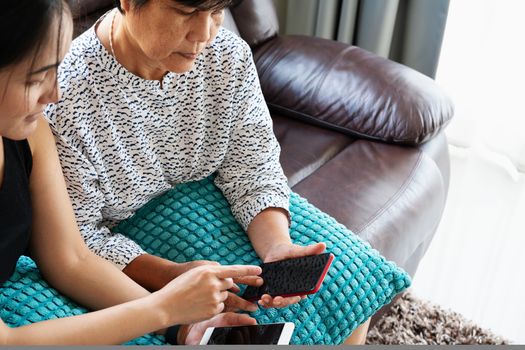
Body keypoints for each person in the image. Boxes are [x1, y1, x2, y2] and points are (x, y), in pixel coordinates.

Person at [45, 0, 370, 344]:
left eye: (216, 12)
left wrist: (276, 246)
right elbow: (79, 240)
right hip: (124, 248)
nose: (204, 34)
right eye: (186, 12)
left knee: (354, 288)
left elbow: (253, 164)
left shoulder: (228, 56)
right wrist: (172, 277)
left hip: (215, 206)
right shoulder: (64, 97)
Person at [0, 0, 264, 345]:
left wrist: (180, 326)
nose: (55, 93)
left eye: (57, 68)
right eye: (36, 78)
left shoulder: (32, 136)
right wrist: (164, 310)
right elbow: (9, 341)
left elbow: (71, 259)